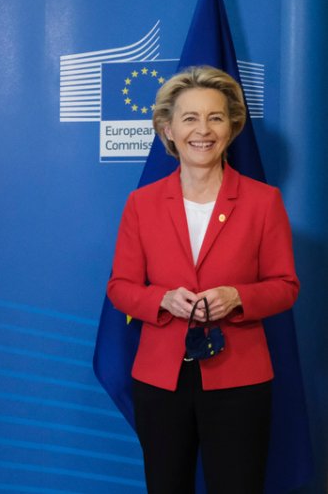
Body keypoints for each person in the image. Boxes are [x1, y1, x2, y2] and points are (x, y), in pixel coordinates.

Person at [106, 66, 298, 493]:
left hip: (239, 379)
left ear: (232, 127)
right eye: (190, 118)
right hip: (160, 379)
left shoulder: (264, 201)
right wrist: (162, 300)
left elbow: (286, 286)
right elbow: (120, 287)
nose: (203, 130)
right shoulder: (141, 203)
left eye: (215, 117)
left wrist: (237, 296)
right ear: (168, 130)